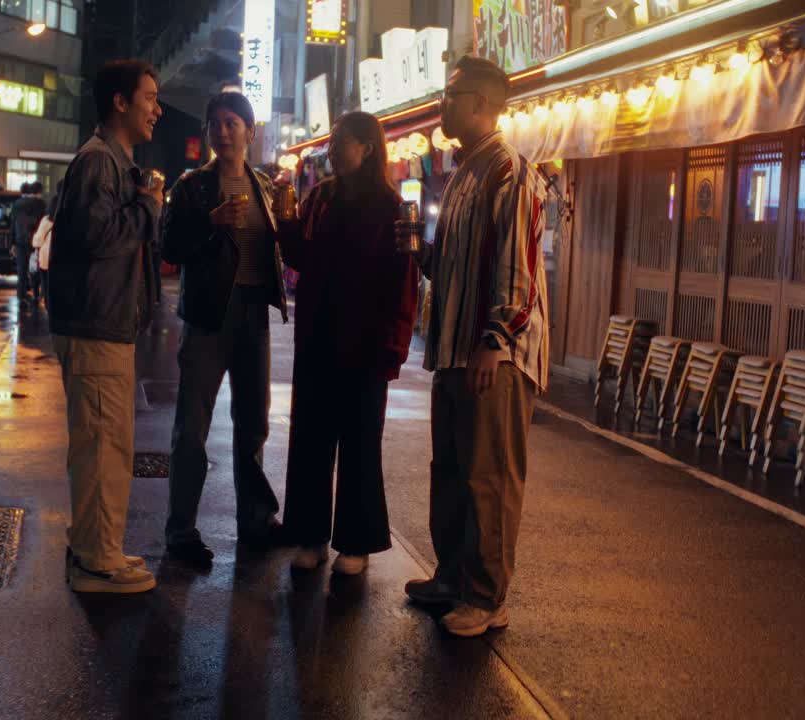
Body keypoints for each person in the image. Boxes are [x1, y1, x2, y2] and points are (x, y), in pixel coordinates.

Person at [401, 57, 550, 637]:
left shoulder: (508, 170)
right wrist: (422, 257)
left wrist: (495, 338)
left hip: (493, 354)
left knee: (490, 475)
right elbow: (457, 264)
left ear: (481, 103)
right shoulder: (464, 171)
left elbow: (518, 267)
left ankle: (486, 597)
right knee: (451, 469)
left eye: (451, 94)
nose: (442, 104)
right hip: (454, 349)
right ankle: (452, 577)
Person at [279, 112, 419, 576]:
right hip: (317, 337)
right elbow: (302, 257)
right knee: (310, 439)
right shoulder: (320, 197)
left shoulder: (390, 206)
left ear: (367, 148)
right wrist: (285, 225)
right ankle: (311, 536)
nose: (332, 150)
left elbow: (403, 281)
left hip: (366, 343)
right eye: (332, 142)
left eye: (340, 142)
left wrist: (393, 346)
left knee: (360, 445)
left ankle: (355, 544)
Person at [161, 91, 290, 567]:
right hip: (208, 315)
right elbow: (168, 247)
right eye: (214, 123)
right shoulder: (192, 186)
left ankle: (256, 520)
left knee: (253, 422)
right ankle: (181, 531)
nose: (222, 131)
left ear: (251, 131)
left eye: (232, 123)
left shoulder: (265, 185)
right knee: (192, 427)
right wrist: (209, 222)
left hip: (254, 313)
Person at [49, 58, 163, 594]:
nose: (157, 110)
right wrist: (148, 208)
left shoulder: (111, 161)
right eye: (149, 98)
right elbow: (96, 238)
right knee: (102, 446)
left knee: (106, 445)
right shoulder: (99, 162)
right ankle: (97, 563)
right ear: (120, 101)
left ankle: (96, 547)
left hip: (103, 323)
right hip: (95, 325)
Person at [11, 181, 47, 306]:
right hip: (34, 242)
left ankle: (21, 294)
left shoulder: (17, 204)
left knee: (21, 269)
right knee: (35, 268)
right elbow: (43, 223)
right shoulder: (41, 204)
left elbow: (13, 224)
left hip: (20, 241)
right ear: (39, 192)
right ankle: (36, 293)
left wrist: (12, 243)